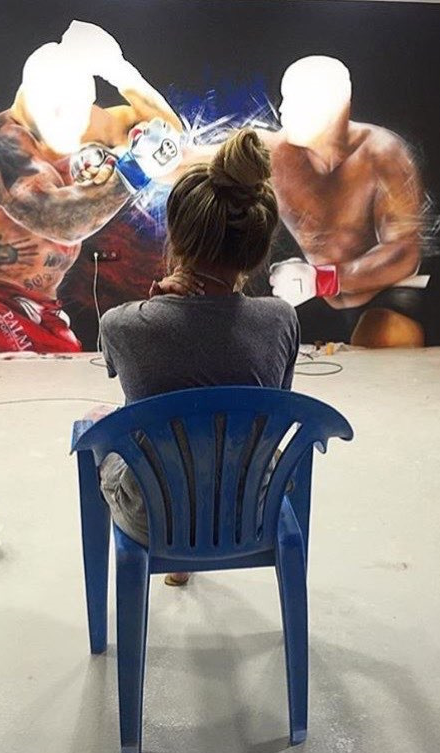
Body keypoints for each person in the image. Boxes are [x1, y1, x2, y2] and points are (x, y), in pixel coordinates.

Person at [98, 128, 300, 585]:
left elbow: (140, 384)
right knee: (227, 429)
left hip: (155, 517)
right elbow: (270, 405)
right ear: (256, 246)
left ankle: (180, 556)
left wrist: (155, 299)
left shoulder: (122, 325)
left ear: (177, 236)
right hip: (251, 509)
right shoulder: (281, 320)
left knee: (105, 426)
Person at [0, 22, 183, 354]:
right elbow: (60, 220)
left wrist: (118, 70)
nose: (79, 126)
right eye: (66, 113)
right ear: (35, 102)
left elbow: (168, 136)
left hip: (45, 309)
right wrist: (134, 171)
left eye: (83, 111)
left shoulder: (75, 115)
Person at [265, 56, 426, 348]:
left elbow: (404, 252)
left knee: (387, 332)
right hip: (310, 298)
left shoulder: (382, 153)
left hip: (378, 298)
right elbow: (192, 160)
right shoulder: (275, 150)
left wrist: (320, 280)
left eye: (295, 100)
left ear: (331, 107)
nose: (282, 110)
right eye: (284, 99)